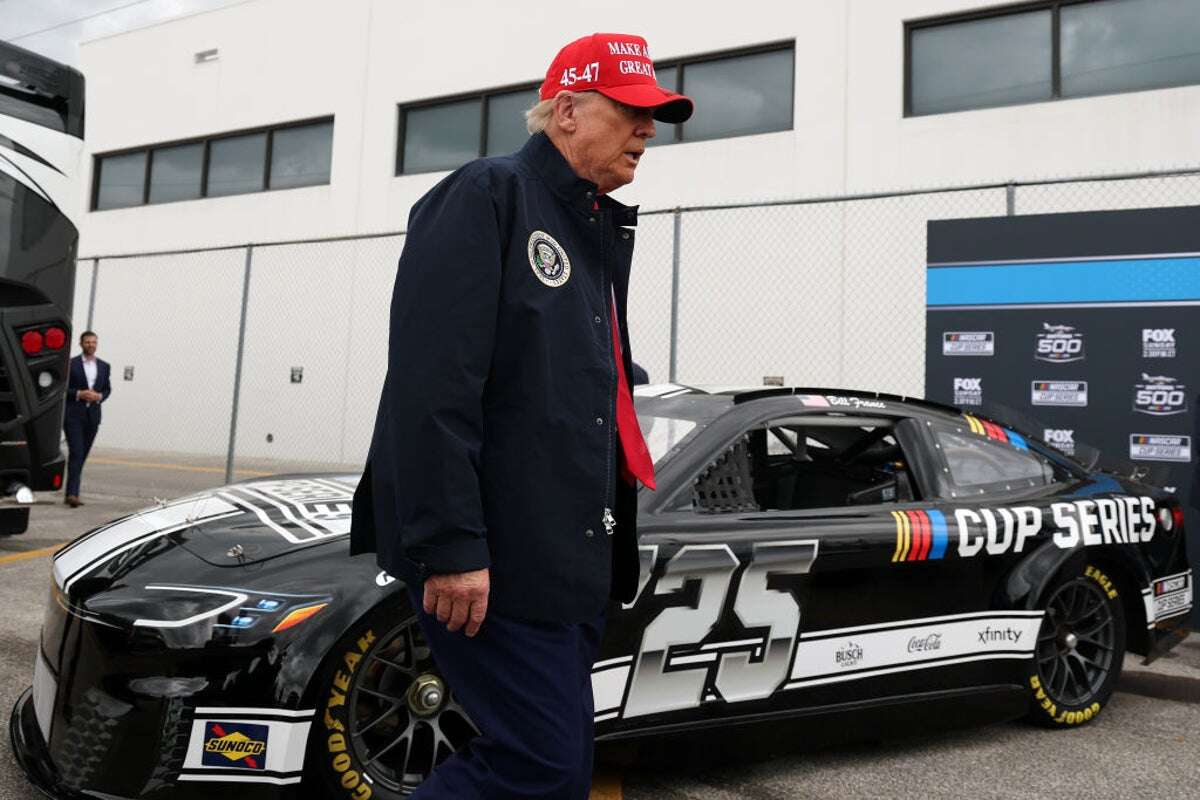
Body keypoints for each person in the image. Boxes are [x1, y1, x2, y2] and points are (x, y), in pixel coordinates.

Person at [351, 32, 692, 800]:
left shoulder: (593, 223)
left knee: (561, 771)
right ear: (567, 111)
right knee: (538, 766)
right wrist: (449, 545)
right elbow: (432, 386)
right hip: (494, 560)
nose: (648, 130)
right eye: (632, 110)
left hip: (568, 559)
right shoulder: (487, 195)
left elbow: (559, 388)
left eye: (655, 115)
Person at [63, 330, 111, 507]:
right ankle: (72, 494)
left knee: (82, 454)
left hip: (93, 416)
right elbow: (62, 388)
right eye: (88, 342)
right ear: (81, 344)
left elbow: (107, 389)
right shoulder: (71, 364)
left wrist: (99, 397)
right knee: (76, 452)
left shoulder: (104, 366)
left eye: (94, 342)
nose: (91, 345)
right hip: (73, 415)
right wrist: (78, 394)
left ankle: (72, 489)